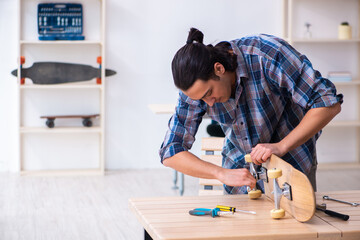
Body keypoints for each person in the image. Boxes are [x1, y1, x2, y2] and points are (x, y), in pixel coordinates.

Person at [159, 28, 343, 194]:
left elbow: (327, 102)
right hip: (240, 176)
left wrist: (281, 145)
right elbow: (170, 151)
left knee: (298, 230)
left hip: (293, 166)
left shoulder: (267, 54)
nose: (209, 103)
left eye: (209, 93)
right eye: (201, 99)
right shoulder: (195, 90)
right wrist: (220, 173)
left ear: (219, 68)